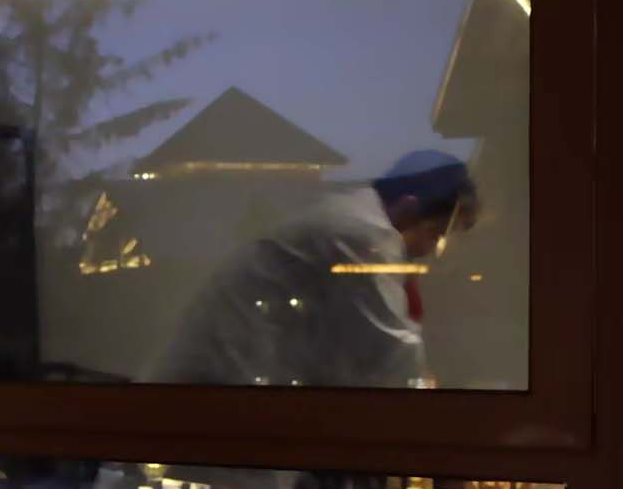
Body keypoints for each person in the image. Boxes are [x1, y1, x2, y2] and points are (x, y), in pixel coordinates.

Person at [151, 149, 479, 389]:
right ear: (408, 208)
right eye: (437, 234)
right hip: (213, 395)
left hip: (225, 387)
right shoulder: (363, 236)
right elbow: (391, 355)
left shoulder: (354, 219)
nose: (433, 250)